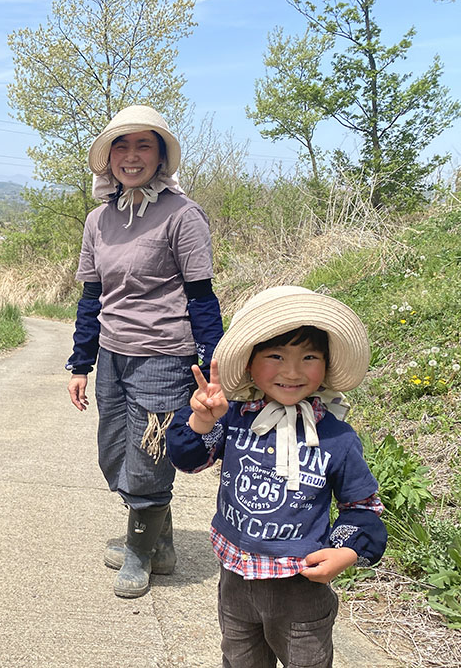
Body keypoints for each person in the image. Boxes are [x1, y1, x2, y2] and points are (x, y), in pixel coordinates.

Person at [166, 286, 387, 667]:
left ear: (326, 365)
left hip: (301, 588)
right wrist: (203, 420)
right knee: (239, 660)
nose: (292, 370)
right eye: (275, 356)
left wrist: (345, 551)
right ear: (250, 363)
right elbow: (189, 460)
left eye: (309, 357)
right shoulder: (235, 419)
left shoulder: (336, 437)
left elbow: (362, 507)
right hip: (235, 581)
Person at [66, 105, 224, 598]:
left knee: (150, 452)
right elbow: (93, 297)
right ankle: (163, 545)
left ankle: (139, 555)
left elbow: (201, 295)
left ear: (160, 157)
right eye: (121, 145)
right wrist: (80, 362)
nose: (131, 156)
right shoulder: (98, 221)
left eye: (143, 146)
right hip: (113, 353)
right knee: (115, 451)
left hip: (165, 354)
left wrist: (211, 361)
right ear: (108, 157)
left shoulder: (183, 215)